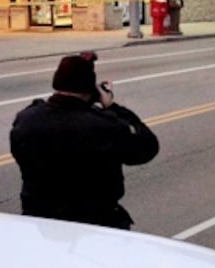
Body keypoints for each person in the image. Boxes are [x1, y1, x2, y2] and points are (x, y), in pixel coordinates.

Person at [9, 52, 159, 230]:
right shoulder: (103, 126)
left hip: (40, 222)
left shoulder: (26, 119)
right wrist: (112, 107)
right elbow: (147, 148)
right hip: (95, 224)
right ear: (91, 90)